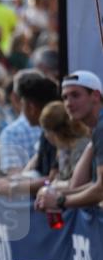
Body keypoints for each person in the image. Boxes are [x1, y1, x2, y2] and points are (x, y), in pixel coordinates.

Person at [36, 71, 103, 214]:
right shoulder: (97, 130)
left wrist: (60, 201)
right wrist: (56, 195)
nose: (68, 103)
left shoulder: (102, 128)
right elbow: (80, 185)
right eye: (65, 97)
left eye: (75, 95)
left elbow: (101, 190)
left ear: (96, 96)